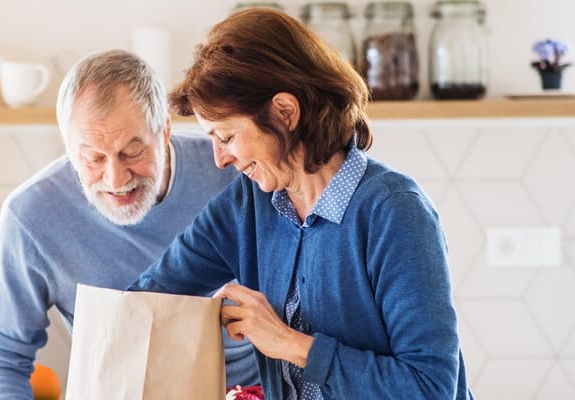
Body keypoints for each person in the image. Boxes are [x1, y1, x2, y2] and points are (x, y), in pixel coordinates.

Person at [129, 8, 475, 400]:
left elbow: (430, 389)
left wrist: (290, 344)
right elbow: (148, 296)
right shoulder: (248, 204)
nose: (219, 159)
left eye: (226, 136)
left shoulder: (394, 211)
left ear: (285, 112)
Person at [0, 49, 260, 398]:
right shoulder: (30, 215)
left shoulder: (234, 175)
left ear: (164, 129)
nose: (115, 177)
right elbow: (3, 357)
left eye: (132, 152)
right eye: (92, 158)